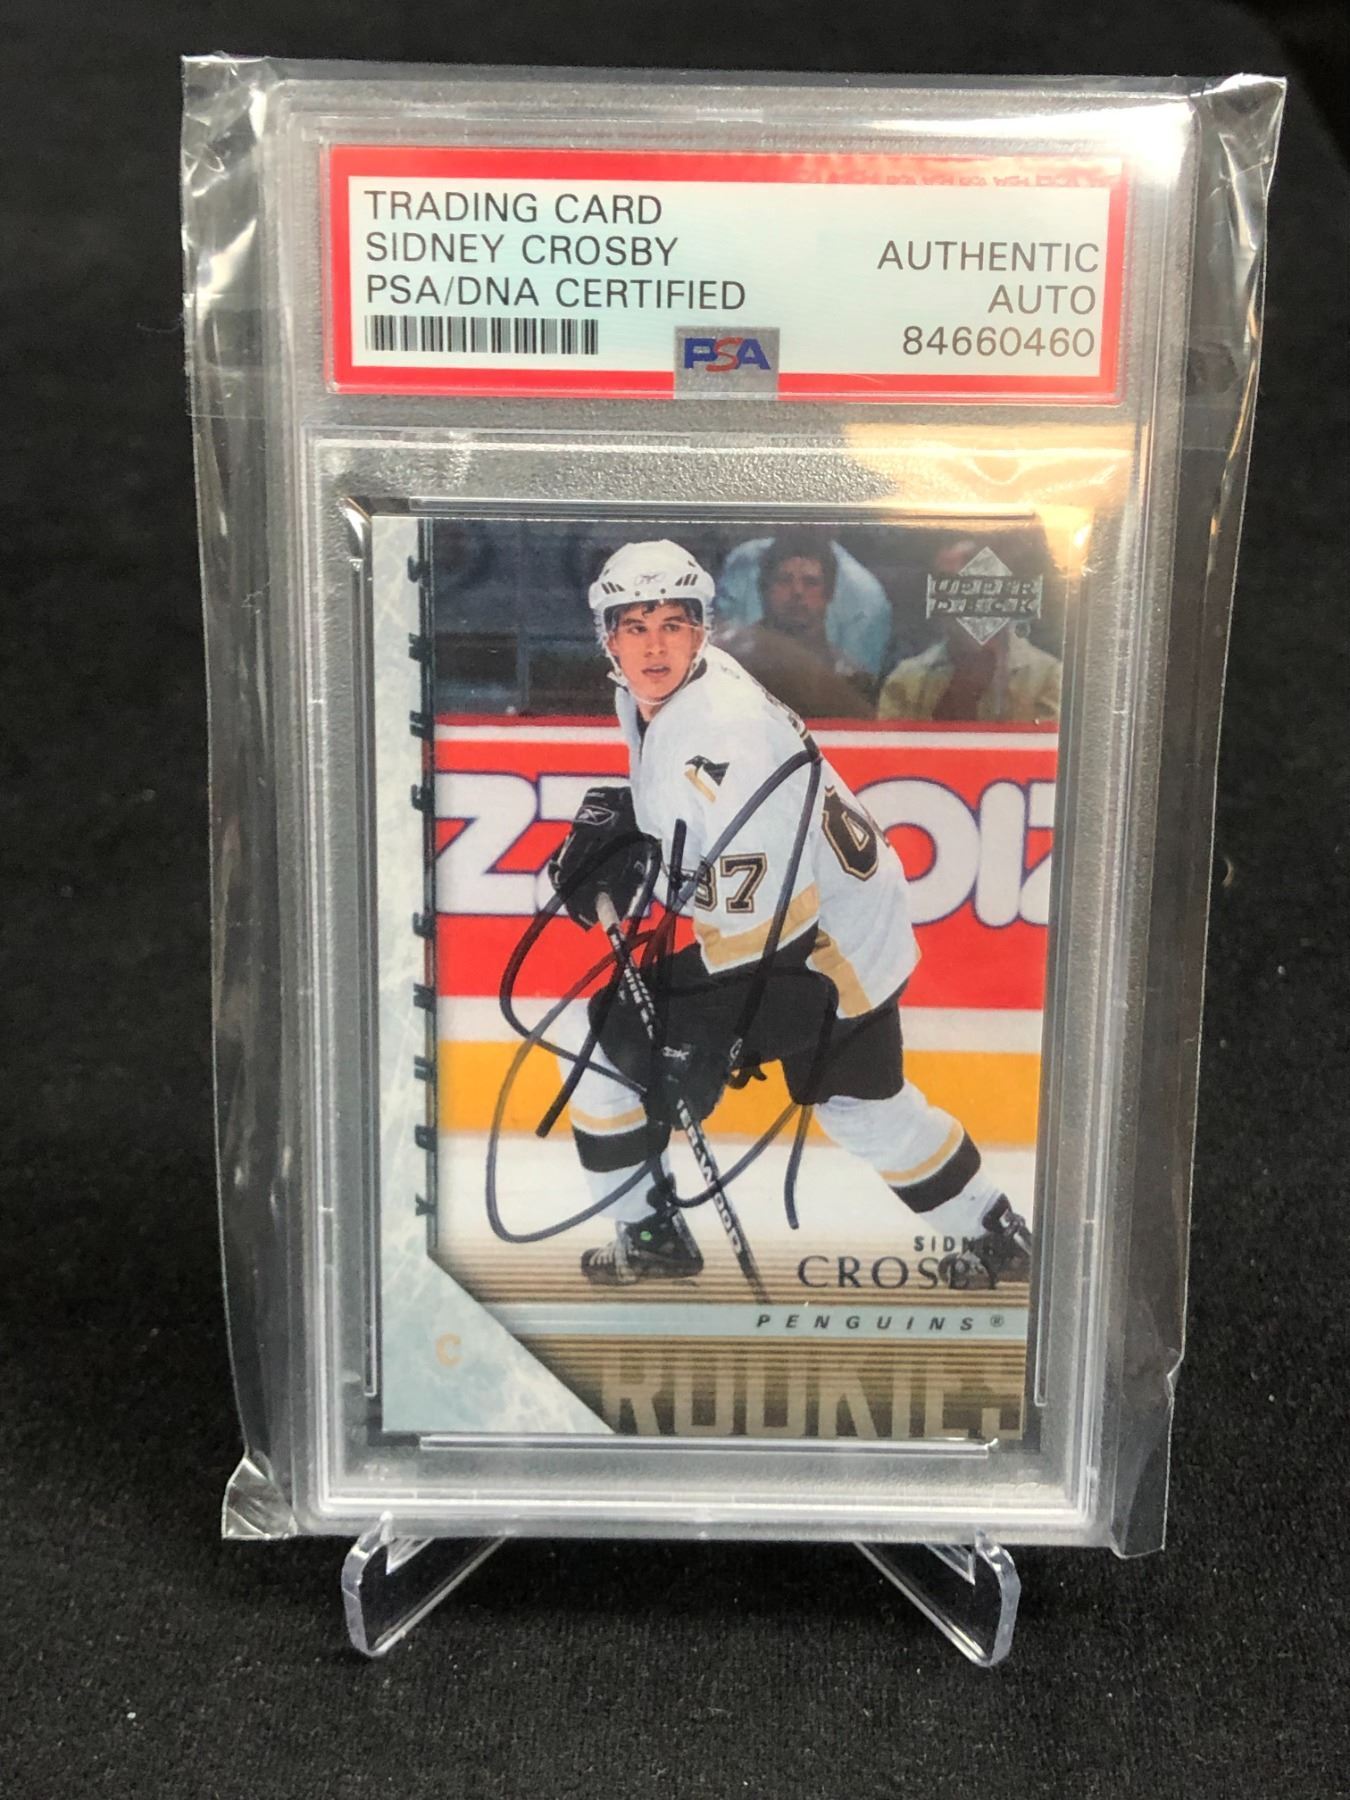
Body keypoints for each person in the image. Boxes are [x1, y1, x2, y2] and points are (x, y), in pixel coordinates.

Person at [545, 539, 1031, 1290]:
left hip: (811, 949)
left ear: (701, 628)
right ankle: (997, 1230)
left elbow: (768, 930)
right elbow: (704, 822)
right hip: (854, 922)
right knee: (863, 1106)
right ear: (607, 637)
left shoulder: (721, 736)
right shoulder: (676, 689)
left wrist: (703, 1045)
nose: (654, 646)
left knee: (598, 1047)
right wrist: (638, 830)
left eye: (673, 625)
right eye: (634, 626)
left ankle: (649, 1235)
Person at [878, 540, 1061, 723]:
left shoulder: (1049, 678)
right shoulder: (905, 681)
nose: (956, 596)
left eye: (969, 582)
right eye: (945, 582)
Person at [714, 532, 876, 718]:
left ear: (829, 593)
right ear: (764, 588)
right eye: (784, 580)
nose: (797, 591)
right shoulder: (729, 667)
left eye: (810, 583)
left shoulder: (851, 680)